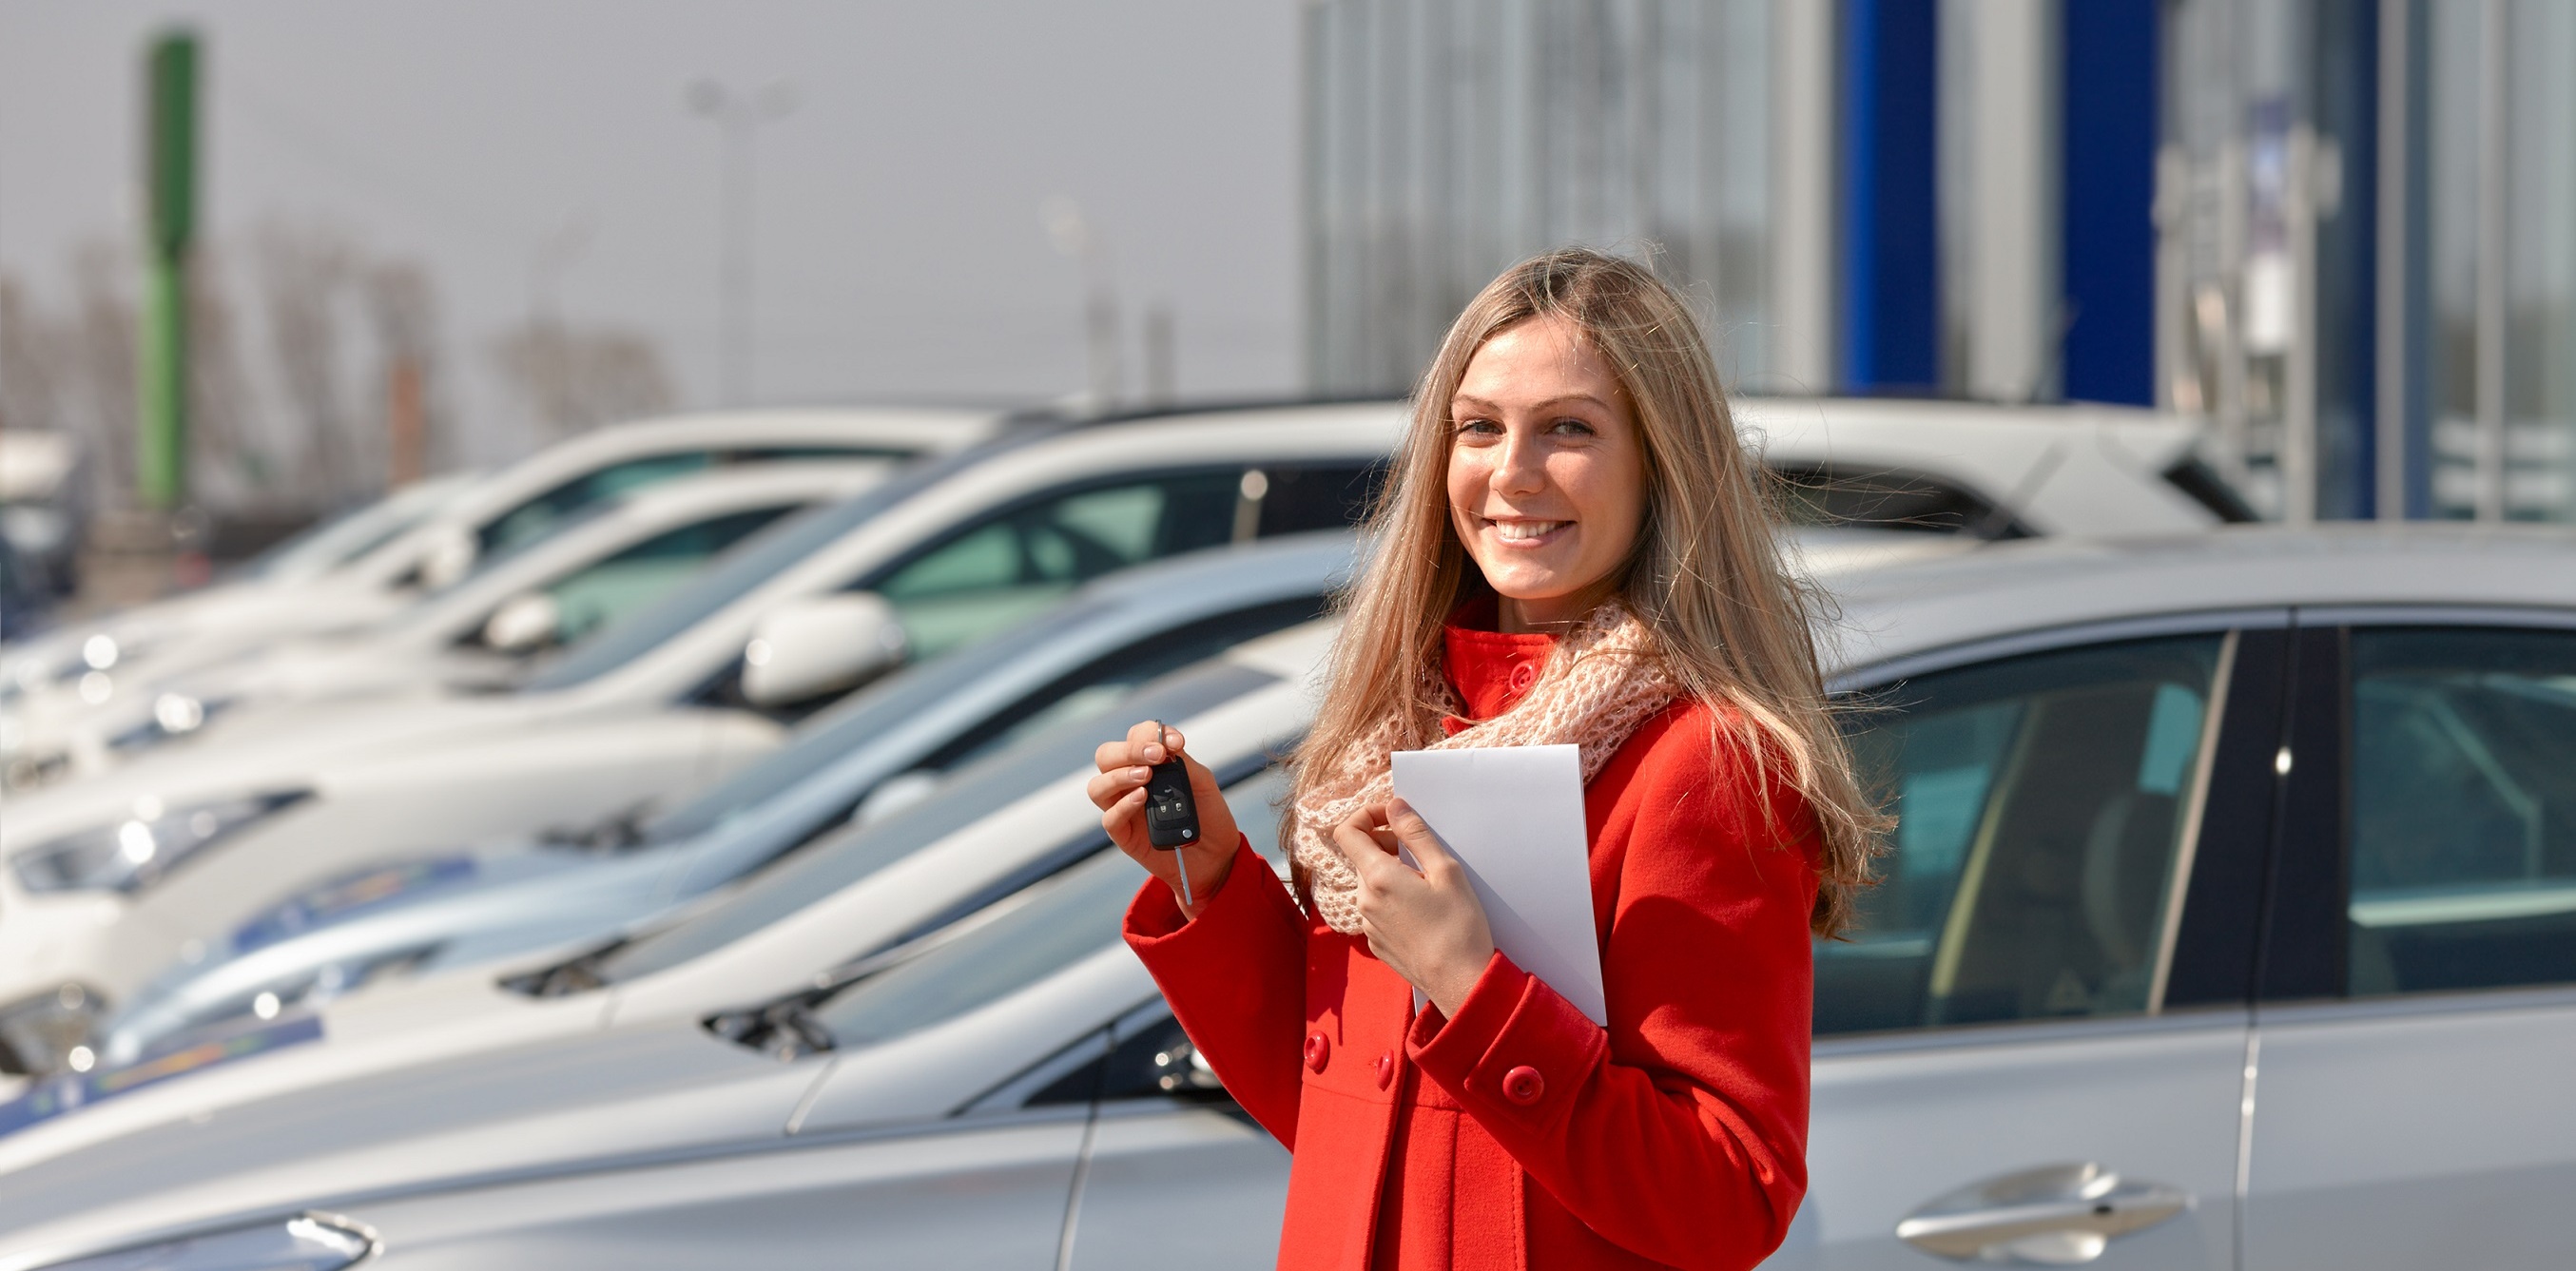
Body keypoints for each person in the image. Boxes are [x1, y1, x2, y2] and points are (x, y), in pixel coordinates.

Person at [1087, 248, 1885, 1271]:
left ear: (1660, 461)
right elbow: (1341, 1116)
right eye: (1479, 426)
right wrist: (1205, 876)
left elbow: (1730, 1198)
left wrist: (1473, 984)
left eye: (1569, 428)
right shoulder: (1398, 726)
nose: (1512, 471)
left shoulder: (1706, 760)